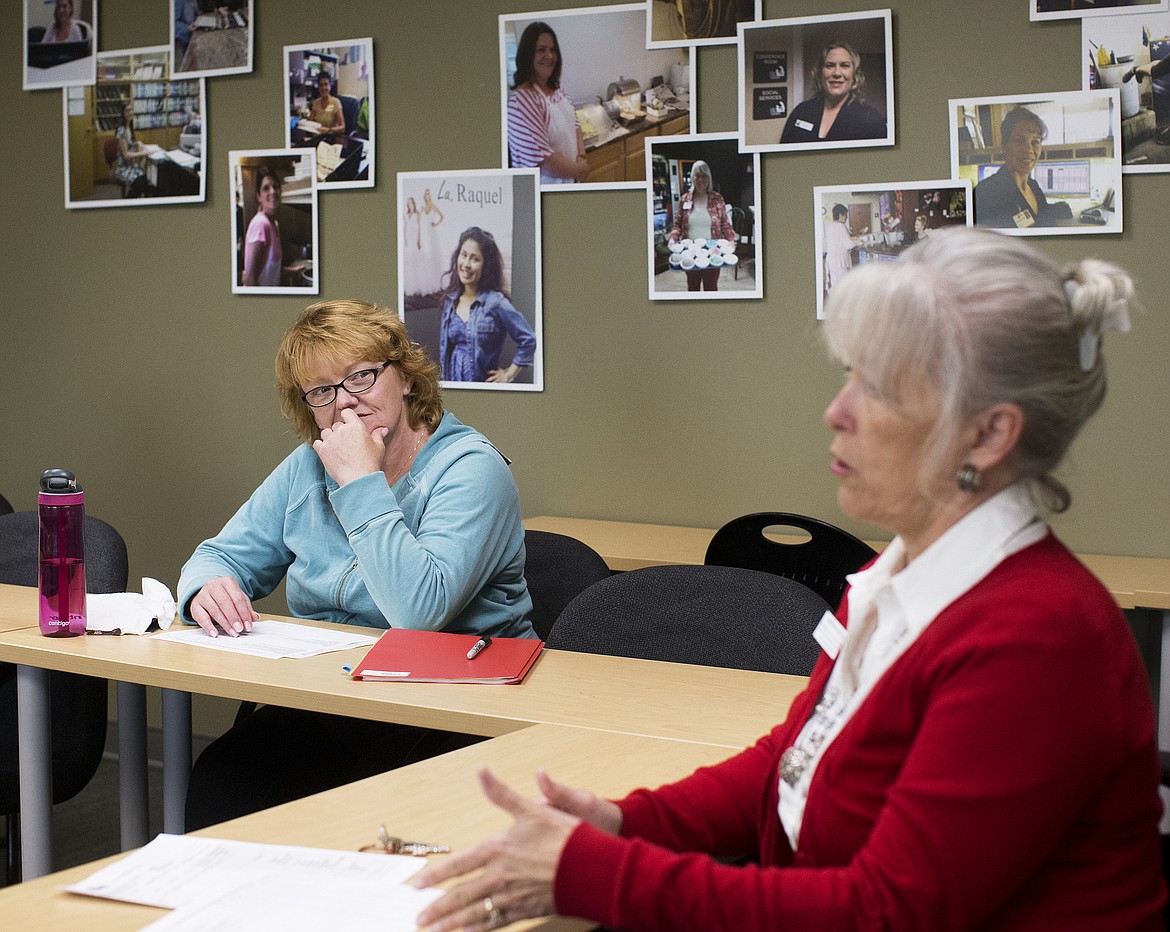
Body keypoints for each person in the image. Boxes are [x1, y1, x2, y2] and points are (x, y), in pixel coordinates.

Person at [413, 228, 1165, 931]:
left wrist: (600, 872)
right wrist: (627, 823)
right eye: (848, 378)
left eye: (877, 390)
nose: (835, 412)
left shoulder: (1037, 635)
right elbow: (796, 759)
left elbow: (885, 913)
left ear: (991, 433)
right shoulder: (899, 569)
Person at [178, 300, 535, 829]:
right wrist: (207, 588)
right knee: (224, 778)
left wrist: (361, 484)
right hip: (338, 694)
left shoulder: (471, 470)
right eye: (322, 391)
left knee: (375, 814)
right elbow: (217, 555)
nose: (345, 403)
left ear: (407, 378)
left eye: (362, 377)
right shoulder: (306, 466)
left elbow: (418, 611)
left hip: (452, 706)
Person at [438, 227, 537, 383]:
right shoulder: (450, 302)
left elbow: (529, 340)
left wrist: (508, 375)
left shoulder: (496, 302)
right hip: (453, 387)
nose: (466, 264)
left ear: (486, 265)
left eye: (475, 259)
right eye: (463, 255)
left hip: (483, 391)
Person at [507, 22, 588, 185]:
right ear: (527, 54)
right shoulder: (520, 102)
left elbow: (576, 125)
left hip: (572, 182)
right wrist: (581, 171)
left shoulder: (559, 90)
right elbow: (544, 161)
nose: (549, 56)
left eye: (553, 50)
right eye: (541, 50)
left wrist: (581, 157)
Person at [973, 107, 1070, 229]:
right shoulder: (985, 193)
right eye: (1019, 140)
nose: (1028, 150)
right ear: (1004, 147)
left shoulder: (1034, 187)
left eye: (1035, 142)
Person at [779, 42, 887, 144]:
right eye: (830, 65)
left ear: (854, 75)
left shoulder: (870, 119)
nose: (836, 73)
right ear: (820, 73)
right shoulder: (801, 112)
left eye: (844, 65)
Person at [667, 161, 735, 292]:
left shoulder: (717, 198)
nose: (700, 179)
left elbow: (725, 224)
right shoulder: (685, 199)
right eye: (697, 175)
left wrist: (731, 240)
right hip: (690, 253)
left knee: (711, 288)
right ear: (692, 177)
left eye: (704, 175)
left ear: (709, 178)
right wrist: (672, 239)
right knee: (693, 288)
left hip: (712, 252)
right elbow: (677, 225)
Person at [241, 167, 283, 287]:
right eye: (266, 188)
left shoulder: (274, 223)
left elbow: (266, 268)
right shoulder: (261, 225)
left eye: (276, 186)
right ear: (258, 196)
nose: (273, 191)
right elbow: (250, 279)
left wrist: (291, 271)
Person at [823, 202, 866, 293]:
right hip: (839, 262)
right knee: (843, 286)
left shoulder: (831, 226)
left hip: (832, 261)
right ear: (840, 215)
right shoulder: (840, 226)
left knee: (835, 285)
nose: (846, 217)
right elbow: (849, 244)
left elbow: (846, 237)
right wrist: (859, 243)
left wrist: (858, 234)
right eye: (845, 215)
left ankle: (835, 304)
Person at [113, 101, 149, 198]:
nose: (130, 112)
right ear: (123, 114)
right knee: (140, 183)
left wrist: (136, 143)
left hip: (131, 165)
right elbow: (126, 155)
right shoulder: (121, 130)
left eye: (131, 110)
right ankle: (126, 203)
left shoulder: (129, 127)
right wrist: (142, 153)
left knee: (147, 180)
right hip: (123, 168)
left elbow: (127, 143)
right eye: (127, 111)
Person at [416, 188, 446, 294]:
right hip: (424, 235)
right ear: (424, 197)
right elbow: (419, 225)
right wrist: (418, 239)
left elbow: (442, 217)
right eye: (426, 195)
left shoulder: (433, 206)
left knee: (433, 257)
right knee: (425, 257)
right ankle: (427, 283)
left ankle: (436, 283)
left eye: (429, 195)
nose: (428, 197)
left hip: (432, 235)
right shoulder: (422, 209)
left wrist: (435, 224)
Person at [305, 72, 345, 140]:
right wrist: (302, 122)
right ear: (318, 87)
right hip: (318, 137)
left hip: (331, 138)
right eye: (321, 85)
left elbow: (342, 127)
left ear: (330, 86)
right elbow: (309, 121)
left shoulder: (335, 102)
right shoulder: (316, 103)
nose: (323, 88)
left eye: (326, 84)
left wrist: (328, 130)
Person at [402, 196, 424, 296]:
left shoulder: (417, 214)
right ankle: (411, 285)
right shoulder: (406, 215)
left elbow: (419, 227)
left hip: (415, 237)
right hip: (408, 237)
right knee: (409, 260)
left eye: (411, 203)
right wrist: (405, 238)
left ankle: (418, 285)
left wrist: (419, 240)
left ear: (414, 204)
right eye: (409, 203)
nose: (410, 205)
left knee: (416, 259)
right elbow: (405, 227)